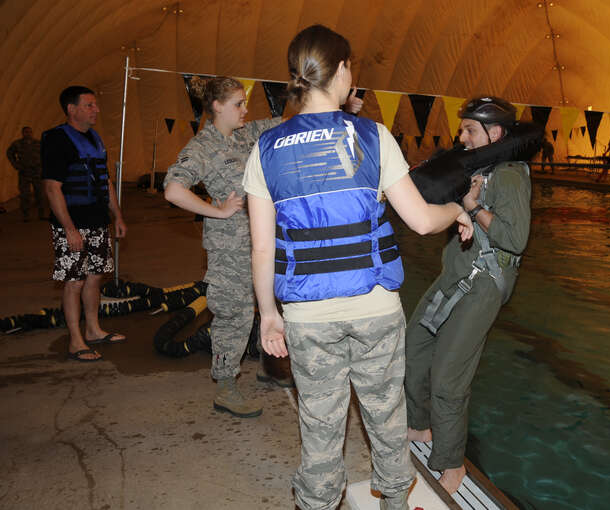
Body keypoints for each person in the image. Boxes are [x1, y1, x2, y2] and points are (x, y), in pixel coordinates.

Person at [244, 24, 473, 510]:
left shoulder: (265, 149)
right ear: (342, 69)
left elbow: (262, 249)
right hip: (375, 310)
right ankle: (394, 501)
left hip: (306, 316)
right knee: (387, 422)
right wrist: (458, 211)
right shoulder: (373, 136)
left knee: (321, 430)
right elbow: (421, 221)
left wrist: (268, 313)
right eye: (352, 67)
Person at [164, 76, 363, 419]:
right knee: (234, 316)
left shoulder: (247, 134)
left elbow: (294, 123)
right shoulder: (202, 148)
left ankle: (266, 367)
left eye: (244, 103)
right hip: (230, 251)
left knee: (266, 306)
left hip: (263, 242)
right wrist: (218, 210)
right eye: (238, 104)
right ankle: (226, 386)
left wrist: (342, 106)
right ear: (216, 107)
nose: (245, 110)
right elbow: (173, 189)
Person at [404, 97, 536, 494]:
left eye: (469, 130)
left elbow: (515, 239)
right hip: (454, 275)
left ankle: (451, 463)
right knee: (413, 346)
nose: (460, 136)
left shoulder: (510, 176)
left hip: (482, 286)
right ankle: (420, 425)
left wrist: (471, 206)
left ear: (494, 134)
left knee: (448, 378)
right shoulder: (473, 167)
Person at [42, 86, 127, 362]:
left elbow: (106, 181)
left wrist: (118, 216)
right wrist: (68, 229)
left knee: (94, 279)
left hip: (98, 222)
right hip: (72, 225)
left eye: (95, 105)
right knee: (74, 282)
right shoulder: (56, 140)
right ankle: (75, 340)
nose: (96, 110)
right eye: (89, 105)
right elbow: (53, 188)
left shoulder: (95, 139)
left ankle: (92, 330)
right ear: (71, 109)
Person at [7, 126, 45, 221]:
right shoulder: (17, 144)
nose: (28, 134)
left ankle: (41, 214)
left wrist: (42, 166)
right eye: (26, 132)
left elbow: (45, 154)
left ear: (32, 133)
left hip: (37, 172)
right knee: (25, 195)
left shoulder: (38, 143)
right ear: (22, 133)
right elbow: (9, 153)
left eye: (29, 132)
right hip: (24, 172)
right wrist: (15, 164)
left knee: (40, 193)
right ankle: (26, 215)